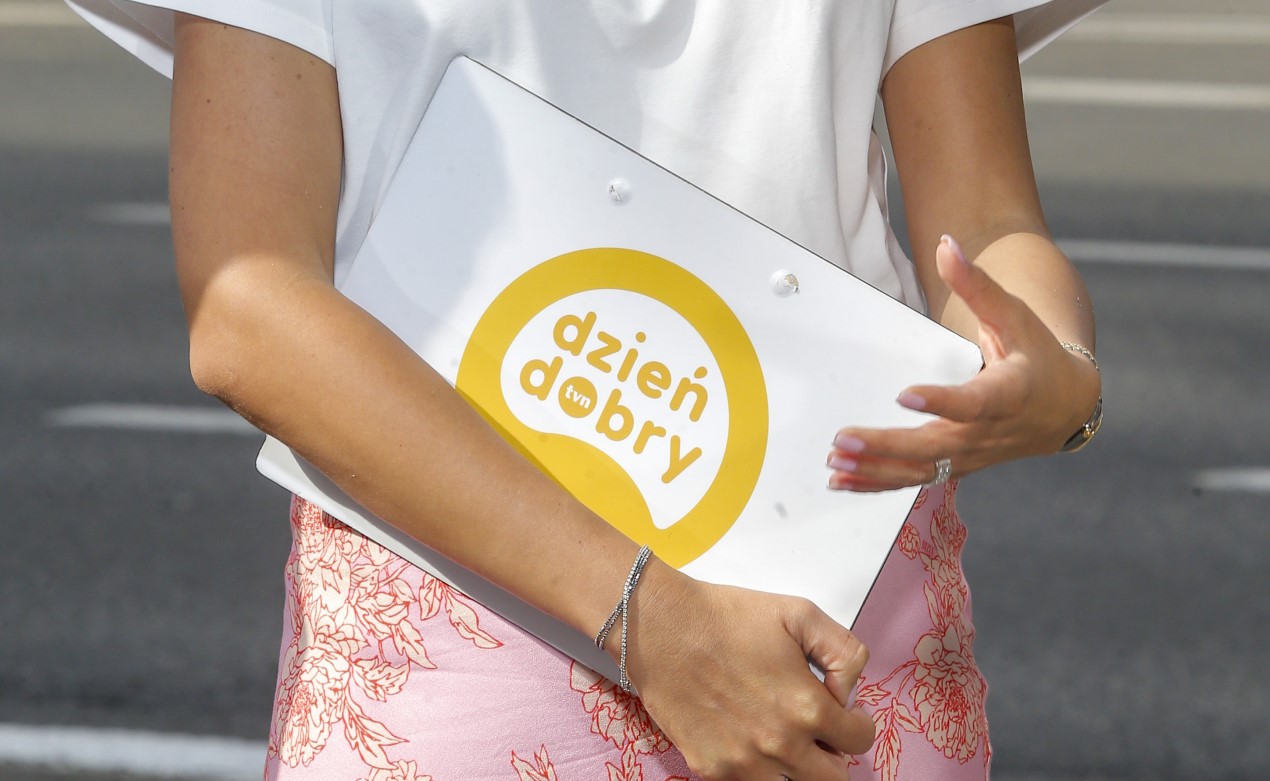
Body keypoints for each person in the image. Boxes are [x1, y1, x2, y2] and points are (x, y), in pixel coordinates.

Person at [65, 1, 1107, 779]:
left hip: (824, 613)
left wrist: (1052, 371)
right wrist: (649, 620)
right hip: (464, 594)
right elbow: (249, 312)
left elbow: (986, 221)